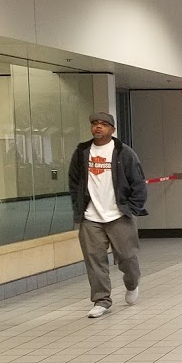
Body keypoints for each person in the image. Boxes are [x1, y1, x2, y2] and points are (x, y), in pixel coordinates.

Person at [68, 111, 148, 318]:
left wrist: (132, 207)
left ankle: (132, 284)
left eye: (103, 124)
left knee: (128, 257)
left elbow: (138, 182)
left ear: (112, 129)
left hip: (118, 215)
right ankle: (101, 300)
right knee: (95, 260)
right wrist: (79, 207)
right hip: (90, 217)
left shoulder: (124, 152)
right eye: (95, 123)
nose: (98, 127)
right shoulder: (82, 152)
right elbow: (74, 181)